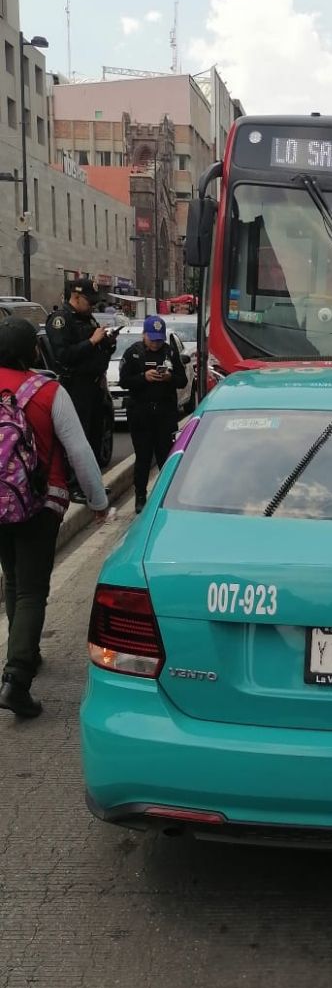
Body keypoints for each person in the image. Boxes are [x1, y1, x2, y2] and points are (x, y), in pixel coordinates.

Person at [0, 319, 109, 719]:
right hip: (39, 502)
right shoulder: (48, 390)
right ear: (33, 351)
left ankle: (23, 649)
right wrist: (98, 502)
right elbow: (79, 451)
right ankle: (17, 678)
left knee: (13, 578)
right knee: (31, 589)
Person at [44, 280, 117, 485]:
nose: (92, 306)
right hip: (75, 387)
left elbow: (96, 352)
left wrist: (107, 343)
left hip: (95, 386)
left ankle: (91, 482)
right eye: (89, 301)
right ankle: (75, 484)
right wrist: (92, 341)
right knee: (77, 438)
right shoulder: (62, 320)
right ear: (75, 297)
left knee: (95, 435)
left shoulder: (87, 318)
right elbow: (63, 355)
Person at [119, 315, 188, 513]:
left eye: (159, 339)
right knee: (143, 457)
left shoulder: (170, 352)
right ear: (144, 335)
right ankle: (140, 496)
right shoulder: (133, 353)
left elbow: (182, 380)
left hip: (165, 412)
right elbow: (124, 381)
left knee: (166, 455)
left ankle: (167, 494)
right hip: (141, 412)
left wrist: (168, 378)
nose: (156, 343)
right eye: (152, 339)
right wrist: (144, 377)